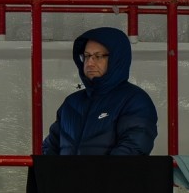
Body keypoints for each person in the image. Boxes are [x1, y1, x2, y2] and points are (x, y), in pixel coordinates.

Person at [42, 26, 158, 156]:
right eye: (87, 56)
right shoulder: (71, 102)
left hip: (112, 171)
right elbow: (49, 148)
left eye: (98, 56)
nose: (90, 63)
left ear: (117, 59)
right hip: (67, 171)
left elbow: (133, 149)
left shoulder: (135, 100)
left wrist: (90, 170)